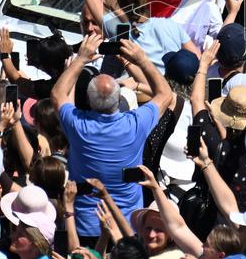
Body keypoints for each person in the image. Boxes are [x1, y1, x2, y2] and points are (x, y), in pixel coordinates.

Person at [52, 33, 173, 243]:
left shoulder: (78, 125)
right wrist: (141, 59)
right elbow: (165, 94)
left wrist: (80, 59)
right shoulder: (135, 123)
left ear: (89, 101)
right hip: (127, 226)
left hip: (85, 226)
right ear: (119, 98)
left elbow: (58, 95)